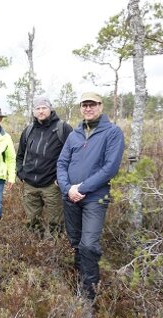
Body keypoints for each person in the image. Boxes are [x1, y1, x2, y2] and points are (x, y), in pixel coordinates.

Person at [57, 92, 125, 301]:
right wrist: (67, 188)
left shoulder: (112, 133)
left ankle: (89, 296)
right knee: (76, 242)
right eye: (84, 105)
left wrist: (82, 188)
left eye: (92, 105)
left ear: (100, 106)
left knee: (89, 245)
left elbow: (109, 168)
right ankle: (80, 283)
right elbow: (61, 163)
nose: (88, 108)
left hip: (95, 198)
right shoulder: (74, 134)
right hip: (70, 197)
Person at [16, 96, 73, 237]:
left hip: (52, 185)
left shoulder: (63, 128)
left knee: (56, 222)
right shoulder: (28, 130)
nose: (41, 111)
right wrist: (21, 173)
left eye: (44, 108)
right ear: (34, 112)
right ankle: (36, 248)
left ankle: (55, 250)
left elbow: (73, 156)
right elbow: (20, 155)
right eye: (38, 108)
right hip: (30, 184)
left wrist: (62, 179)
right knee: (32, 221)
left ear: (50, 109)